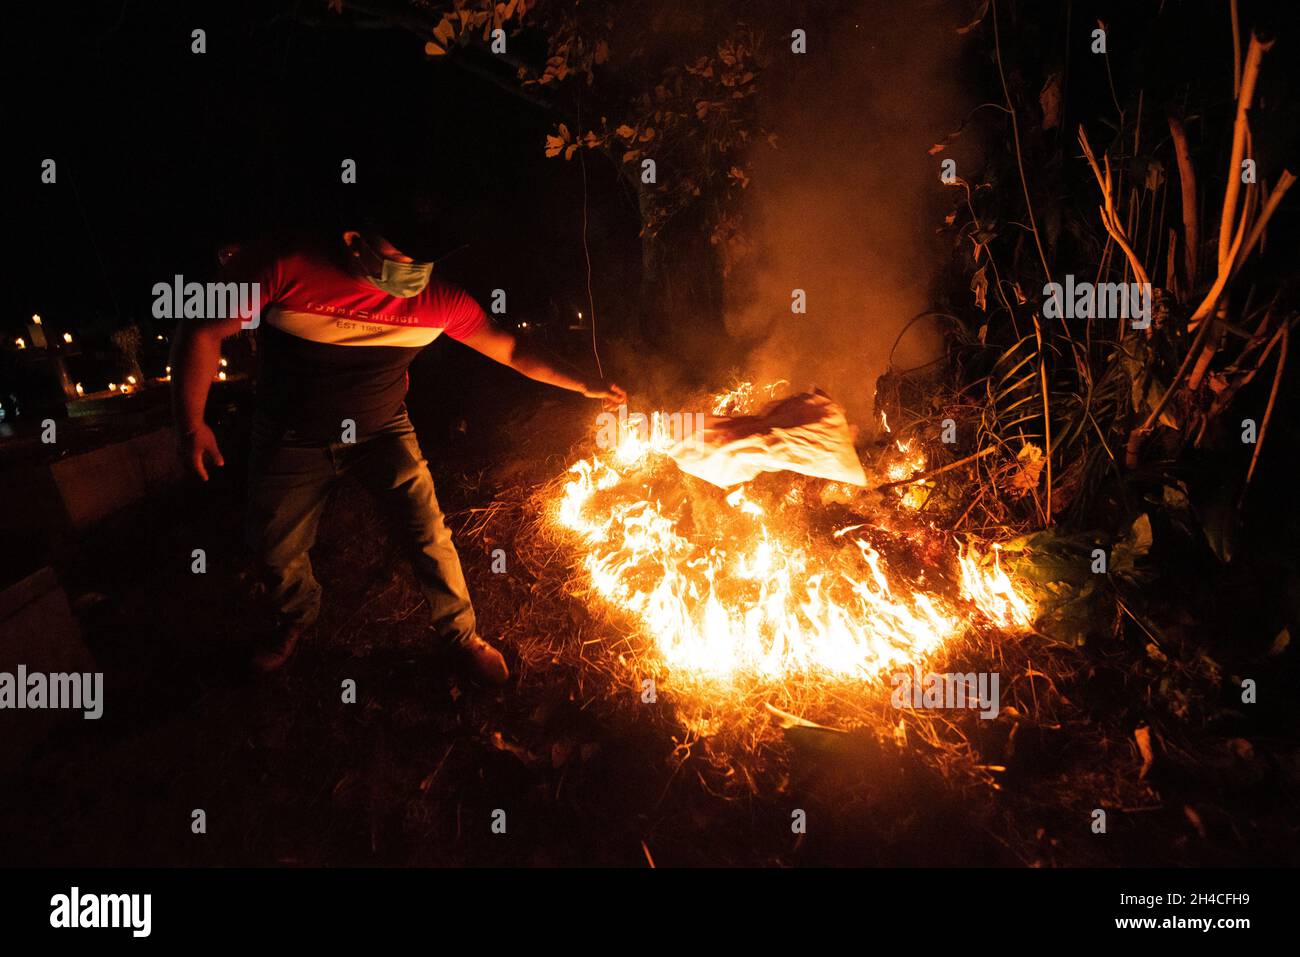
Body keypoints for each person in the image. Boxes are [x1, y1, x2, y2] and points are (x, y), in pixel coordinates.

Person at [170, 221, 625, 683]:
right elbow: (202, 331)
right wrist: (192, 424)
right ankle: (294, 618)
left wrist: (583, 381)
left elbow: (511, 350)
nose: (416, 269)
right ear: (354, 242)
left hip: (382, 428)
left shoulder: (439, 300)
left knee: (427, 531)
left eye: (424, 259)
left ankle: (463, 636)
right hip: (292, 433)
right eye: (403, 256)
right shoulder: (284, 265)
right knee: (275, 544)